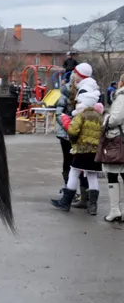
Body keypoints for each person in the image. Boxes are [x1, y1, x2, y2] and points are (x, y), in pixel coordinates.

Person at [51, 86, 103, 214]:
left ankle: (65, 202)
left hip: (82, 150)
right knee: (92, 176)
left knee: (74, 173)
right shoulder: (99, 117)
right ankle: (92, 206)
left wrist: (65, 122)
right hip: (95, 152)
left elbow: (72, 131)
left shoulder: (81, 116)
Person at [54, 62, 93, 207]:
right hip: (66, 132)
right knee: (69, 162)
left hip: (83, 133)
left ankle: (84, 195)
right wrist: (67, 122)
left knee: (83, 164)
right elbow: (59, 110)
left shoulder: (89, 90)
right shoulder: (67, 90)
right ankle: (69, 191)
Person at [101, 73, 124, 222]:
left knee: (113, 174)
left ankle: (115, 210)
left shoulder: (121, 97)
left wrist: (106, 119)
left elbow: (116, 118)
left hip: (118, 139)